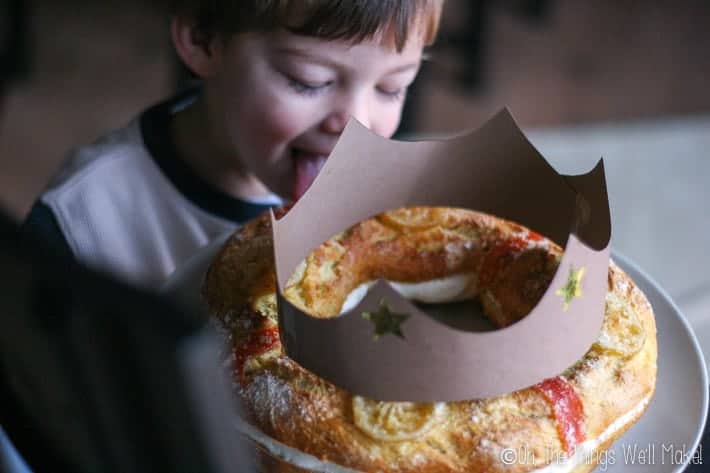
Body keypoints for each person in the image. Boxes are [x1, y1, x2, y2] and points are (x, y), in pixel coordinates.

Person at [21, 0, 444, 289]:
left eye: (392, 88)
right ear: (204, 39)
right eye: (309, 81)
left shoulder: (388, 199)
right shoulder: (82, 221)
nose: (359, 126)